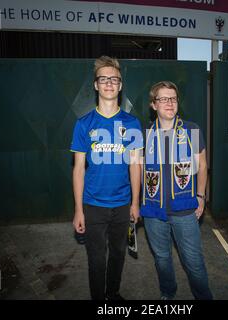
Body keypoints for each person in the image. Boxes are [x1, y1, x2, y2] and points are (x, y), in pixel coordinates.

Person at [70, 56, 143, 300]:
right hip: (93, 205)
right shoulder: (83, 124)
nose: (109, 83)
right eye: (104, 79)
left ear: (120, 85)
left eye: (114, 79)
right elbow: (78, 168)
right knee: (96, 259)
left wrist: (135, 203)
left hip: (122, 204)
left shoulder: (132, 122)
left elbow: (135, 165)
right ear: (96, 85)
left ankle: (113, 293)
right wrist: (78, 209)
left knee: (119, 255)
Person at [140, 81, 213, 300]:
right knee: (162, 259)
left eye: (173, 98)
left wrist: (201, 197)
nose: (169, 103)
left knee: (194, 263)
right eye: (163, 98)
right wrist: (135, 203)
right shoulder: (144, 135)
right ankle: (167, 293)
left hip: (185, 211)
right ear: (154, 105)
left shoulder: (192, 129)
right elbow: (138, 172)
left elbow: (202, 166)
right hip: (154, 212)